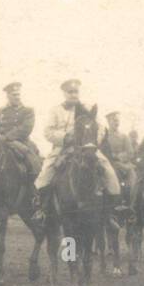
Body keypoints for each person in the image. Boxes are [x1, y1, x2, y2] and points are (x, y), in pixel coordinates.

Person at [33, 79, 122, 214]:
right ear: (64, 93)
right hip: (62, 148)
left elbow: (101, 128)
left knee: (108, 170)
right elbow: (48, 132)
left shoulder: (88, 108)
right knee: (45, 174)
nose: (74, 95)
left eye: (76, 92)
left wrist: (91, 142)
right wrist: (65, 137)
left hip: (87, 148)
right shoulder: (55, 111)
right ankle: (42, 210)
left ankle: (112, 211)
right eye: (70, 92)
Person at [0, 81, 43, 179]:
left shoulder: (28, 110)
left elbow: (26, 128)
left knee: (31, 163)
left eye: (18, 94)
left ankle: (31, 187)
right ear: (8, 96)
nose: (17, 97)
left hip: (20, 142)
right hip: (0, 142)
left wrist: (6, 137)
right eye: (14, 95)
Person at [102, 110, 138, 209]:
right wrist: (111, 157)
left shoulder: (124, 136)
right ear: (108, 121)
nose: (116, 123)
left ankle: (132, 206)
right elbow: (103, 152)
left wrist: (118, 157)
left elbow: (130, 152)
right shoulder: (104, 137)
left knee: (134, 181)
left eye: (117, 121)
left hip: (124, 165)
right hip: (109, 164)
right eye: (113, 120)